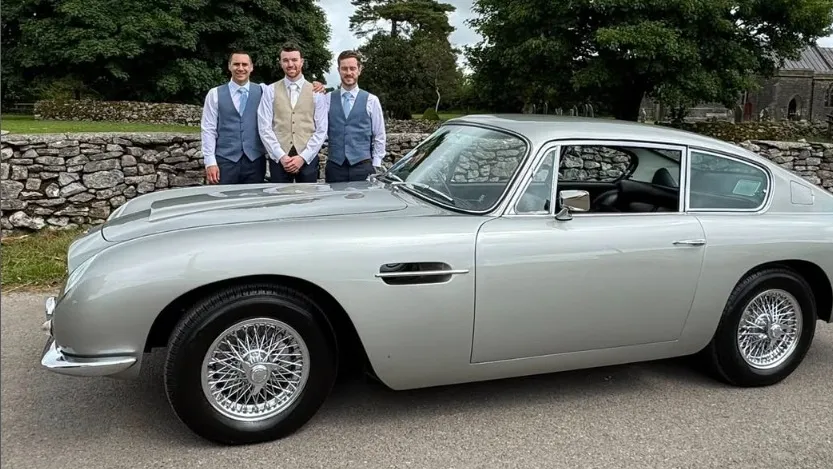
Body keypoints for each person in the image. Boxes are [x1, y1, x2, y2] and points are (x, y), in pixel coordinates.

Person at [257, 43, 328, 183]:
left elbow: (321, 129)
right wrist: (281, 156)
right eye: (286, 60)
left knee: (309, 202)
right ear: (280, 63)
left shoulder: (317, 93)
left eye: (294, 60)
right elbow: (264, 127)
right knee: (280, 202)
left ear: (302, 61)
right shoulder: (270, 91)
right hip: (279, 159)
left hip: (307, 158)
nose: (290, 64)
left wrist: (303, 157)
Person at [201, 51, 267, 185]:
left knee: (254, 203)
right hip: (225, 162)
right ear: (229, 66)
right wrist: (210, 162)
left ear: (251, 67)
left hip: (255, 161)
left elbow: (287, 90)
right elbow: (208, 129)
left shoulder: (263, 91)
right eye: (236, 64)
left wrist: (316, 86)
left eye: (245, 64)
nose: (241, 68)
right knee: (223, 203)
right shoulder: (214, 94)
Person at [324, 50, 386, 183]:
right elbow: (321, 130)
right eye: (344, 68)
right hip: (335, 166)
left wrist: (376, 163)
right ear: (339, 70)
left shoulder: (371, 100)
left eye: (352, 68)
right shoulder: (327, 99)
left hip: (362, 166)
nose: (348, 73)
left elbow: (379, 134)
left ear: (359, 70)